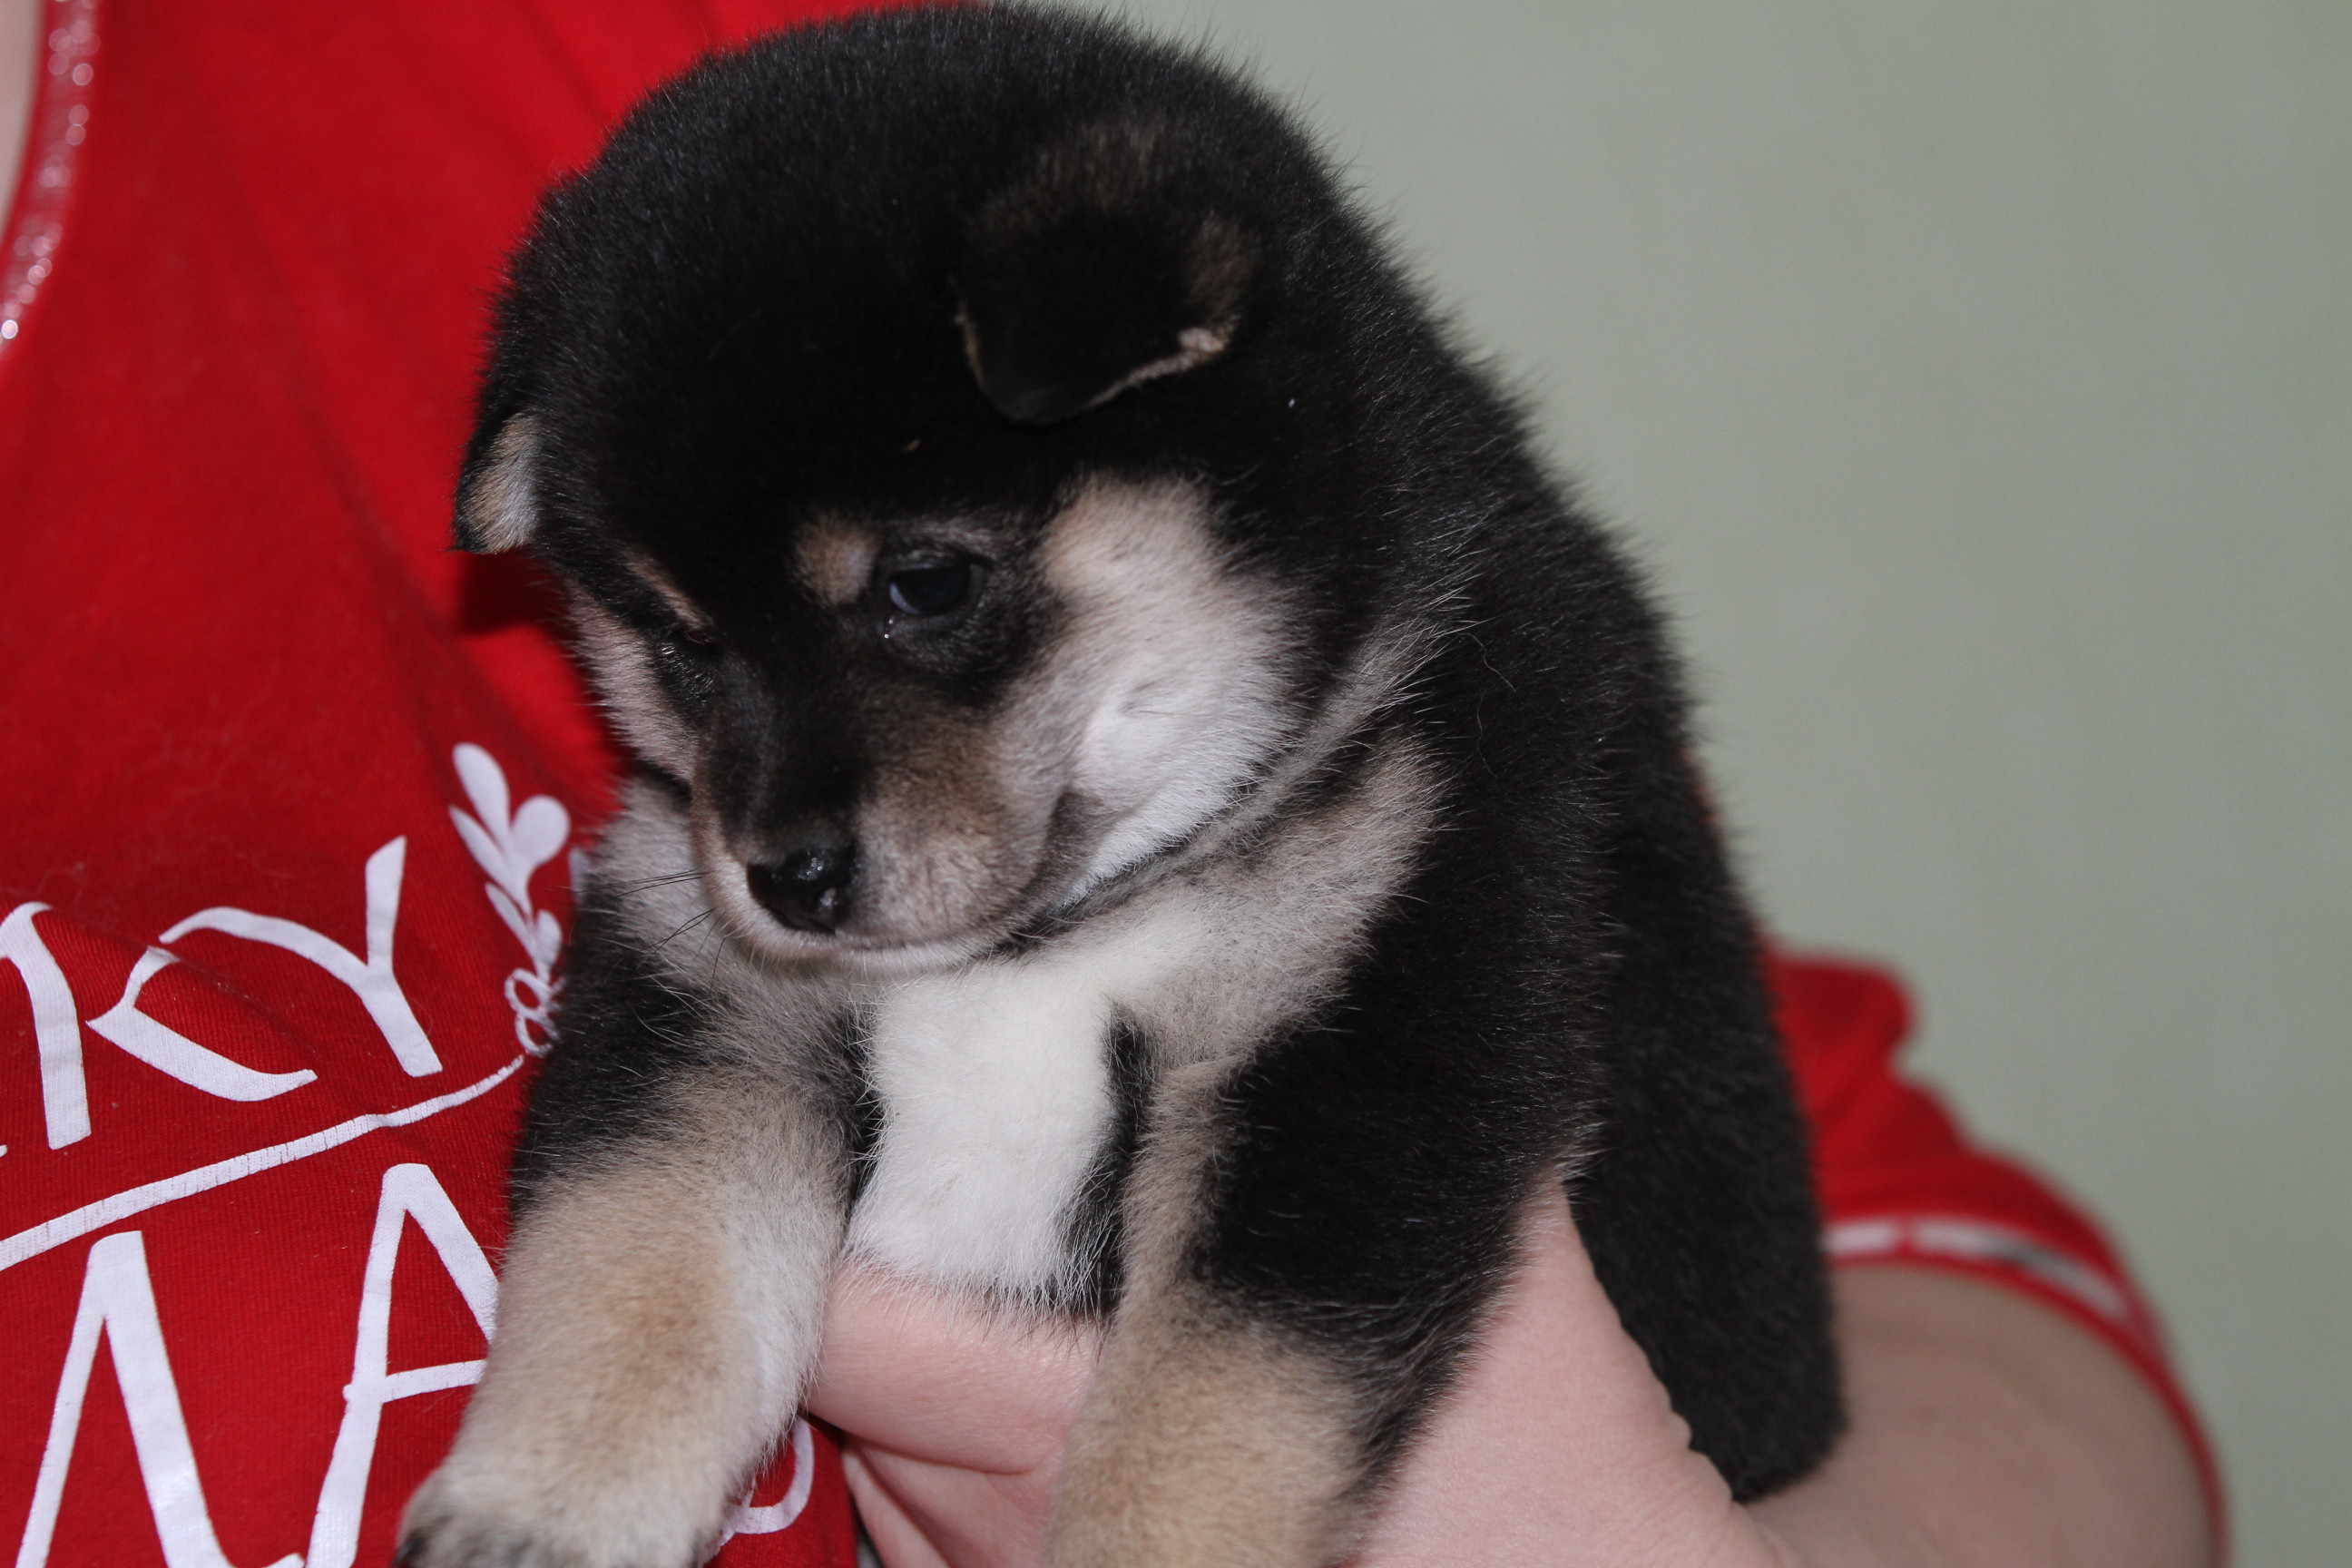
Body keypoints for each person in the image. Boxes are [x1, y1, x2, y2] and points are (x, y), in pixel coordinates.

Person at [0, 2, 2215, 1563]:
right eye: (686, 655)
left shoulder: (568, 42)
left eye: (931, 593)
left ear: (1189, 376)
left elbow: (1937, 1273)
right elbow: (675, 1117)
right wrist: (567, 1485)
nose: (779, 810)